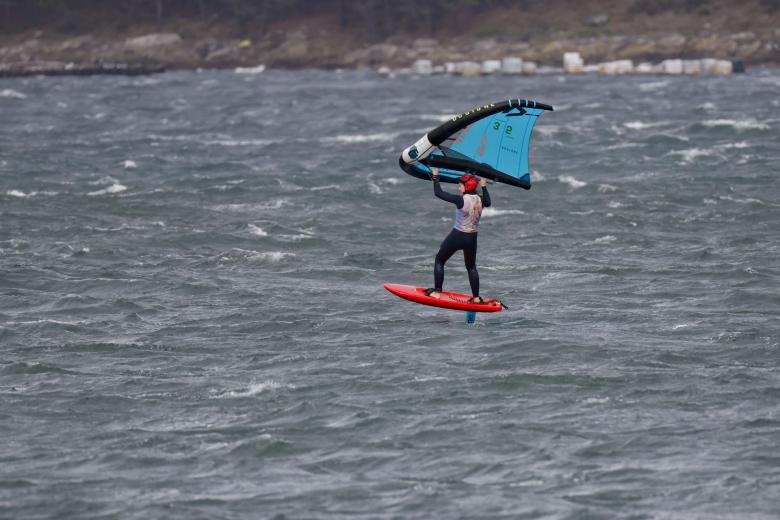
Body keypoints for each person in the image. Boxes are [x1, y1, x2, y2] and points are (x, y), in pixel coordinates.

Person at [426, 167, 491, 303]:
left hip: (458, 236)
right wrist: (484, 186)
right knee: (471, 267)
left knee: (439, 260)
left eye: (460, 185)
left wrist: (435, 176)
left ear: (466, 187)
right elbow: (488, 202)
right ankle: (476, 298)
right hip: (472, 238)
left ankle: (437, 292)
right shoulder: (480, 199)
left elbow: (439, 193)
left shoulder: (461, 200)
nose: (459, 187)